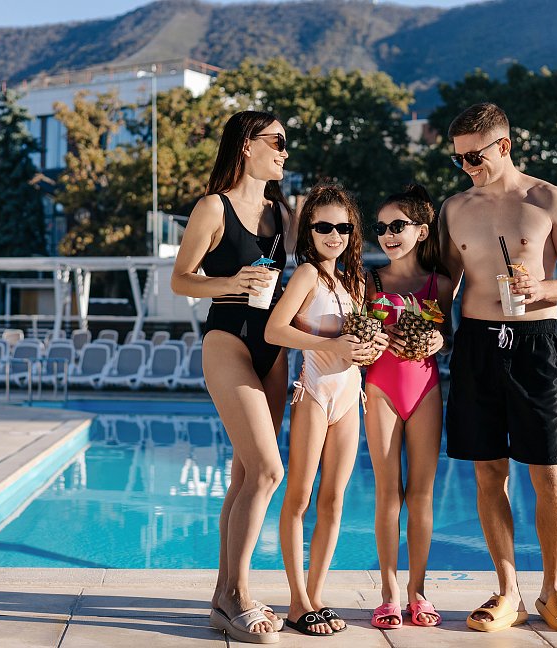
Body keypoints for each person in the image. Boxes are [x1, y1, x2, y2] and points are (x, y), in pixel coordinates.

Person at [439, 102, 557, 633]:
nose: (466, 167)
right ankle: (508, 591)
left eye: (474, 156)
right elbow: (445, 285)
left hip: (534, 344)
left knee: (548, 471)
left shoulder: (548, 199)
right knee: (488, 472)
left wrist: (544, 287)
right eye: (458, 159)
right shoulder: (454, 208)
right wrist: (428, 329)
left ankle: (553, 588)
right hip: (476, 345)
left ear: (503, 145)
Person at [171, 110, 296, 644]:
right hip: (228, 339)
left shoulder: (283, 212)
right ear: (247, 144)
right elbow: (180, 280)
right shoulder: (213, 207)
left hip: (275, 346)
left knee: (246, 476)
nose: (285, 151)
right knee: (268, 470)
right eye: (277, 141)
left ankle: (224, 596)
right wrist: (231, 282)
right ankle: (240, 595)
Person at [264, 183, 385, 637]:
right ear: (309, 232)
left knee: (333, 500)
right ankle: (297, 601)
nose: (334, 235)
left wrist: (370, 347)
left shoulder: (355, 281)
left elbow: (359, 341)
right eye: (324, 227)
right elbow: (275, 330)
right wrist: (330, 345)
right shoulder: (306, 276)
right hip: (314, 391)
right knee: (299, 498)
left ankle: (315, 596)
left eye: (343, 228)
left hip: (350, 395)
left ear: (353, 232)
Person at [363, 184, 452, 630]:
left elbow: (450, 335)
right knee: (387, 492)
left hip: (425, 391)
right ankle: (389, 593)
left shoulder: (441, 284)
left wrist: (440, 339)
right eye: (381, 228)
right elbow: (355, 333)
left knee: (421, 494)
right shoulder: (370, 281)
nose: (387, 235)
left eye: (397, 226)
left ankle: (418, 590)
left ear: (421, 230)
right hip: (380, 388)